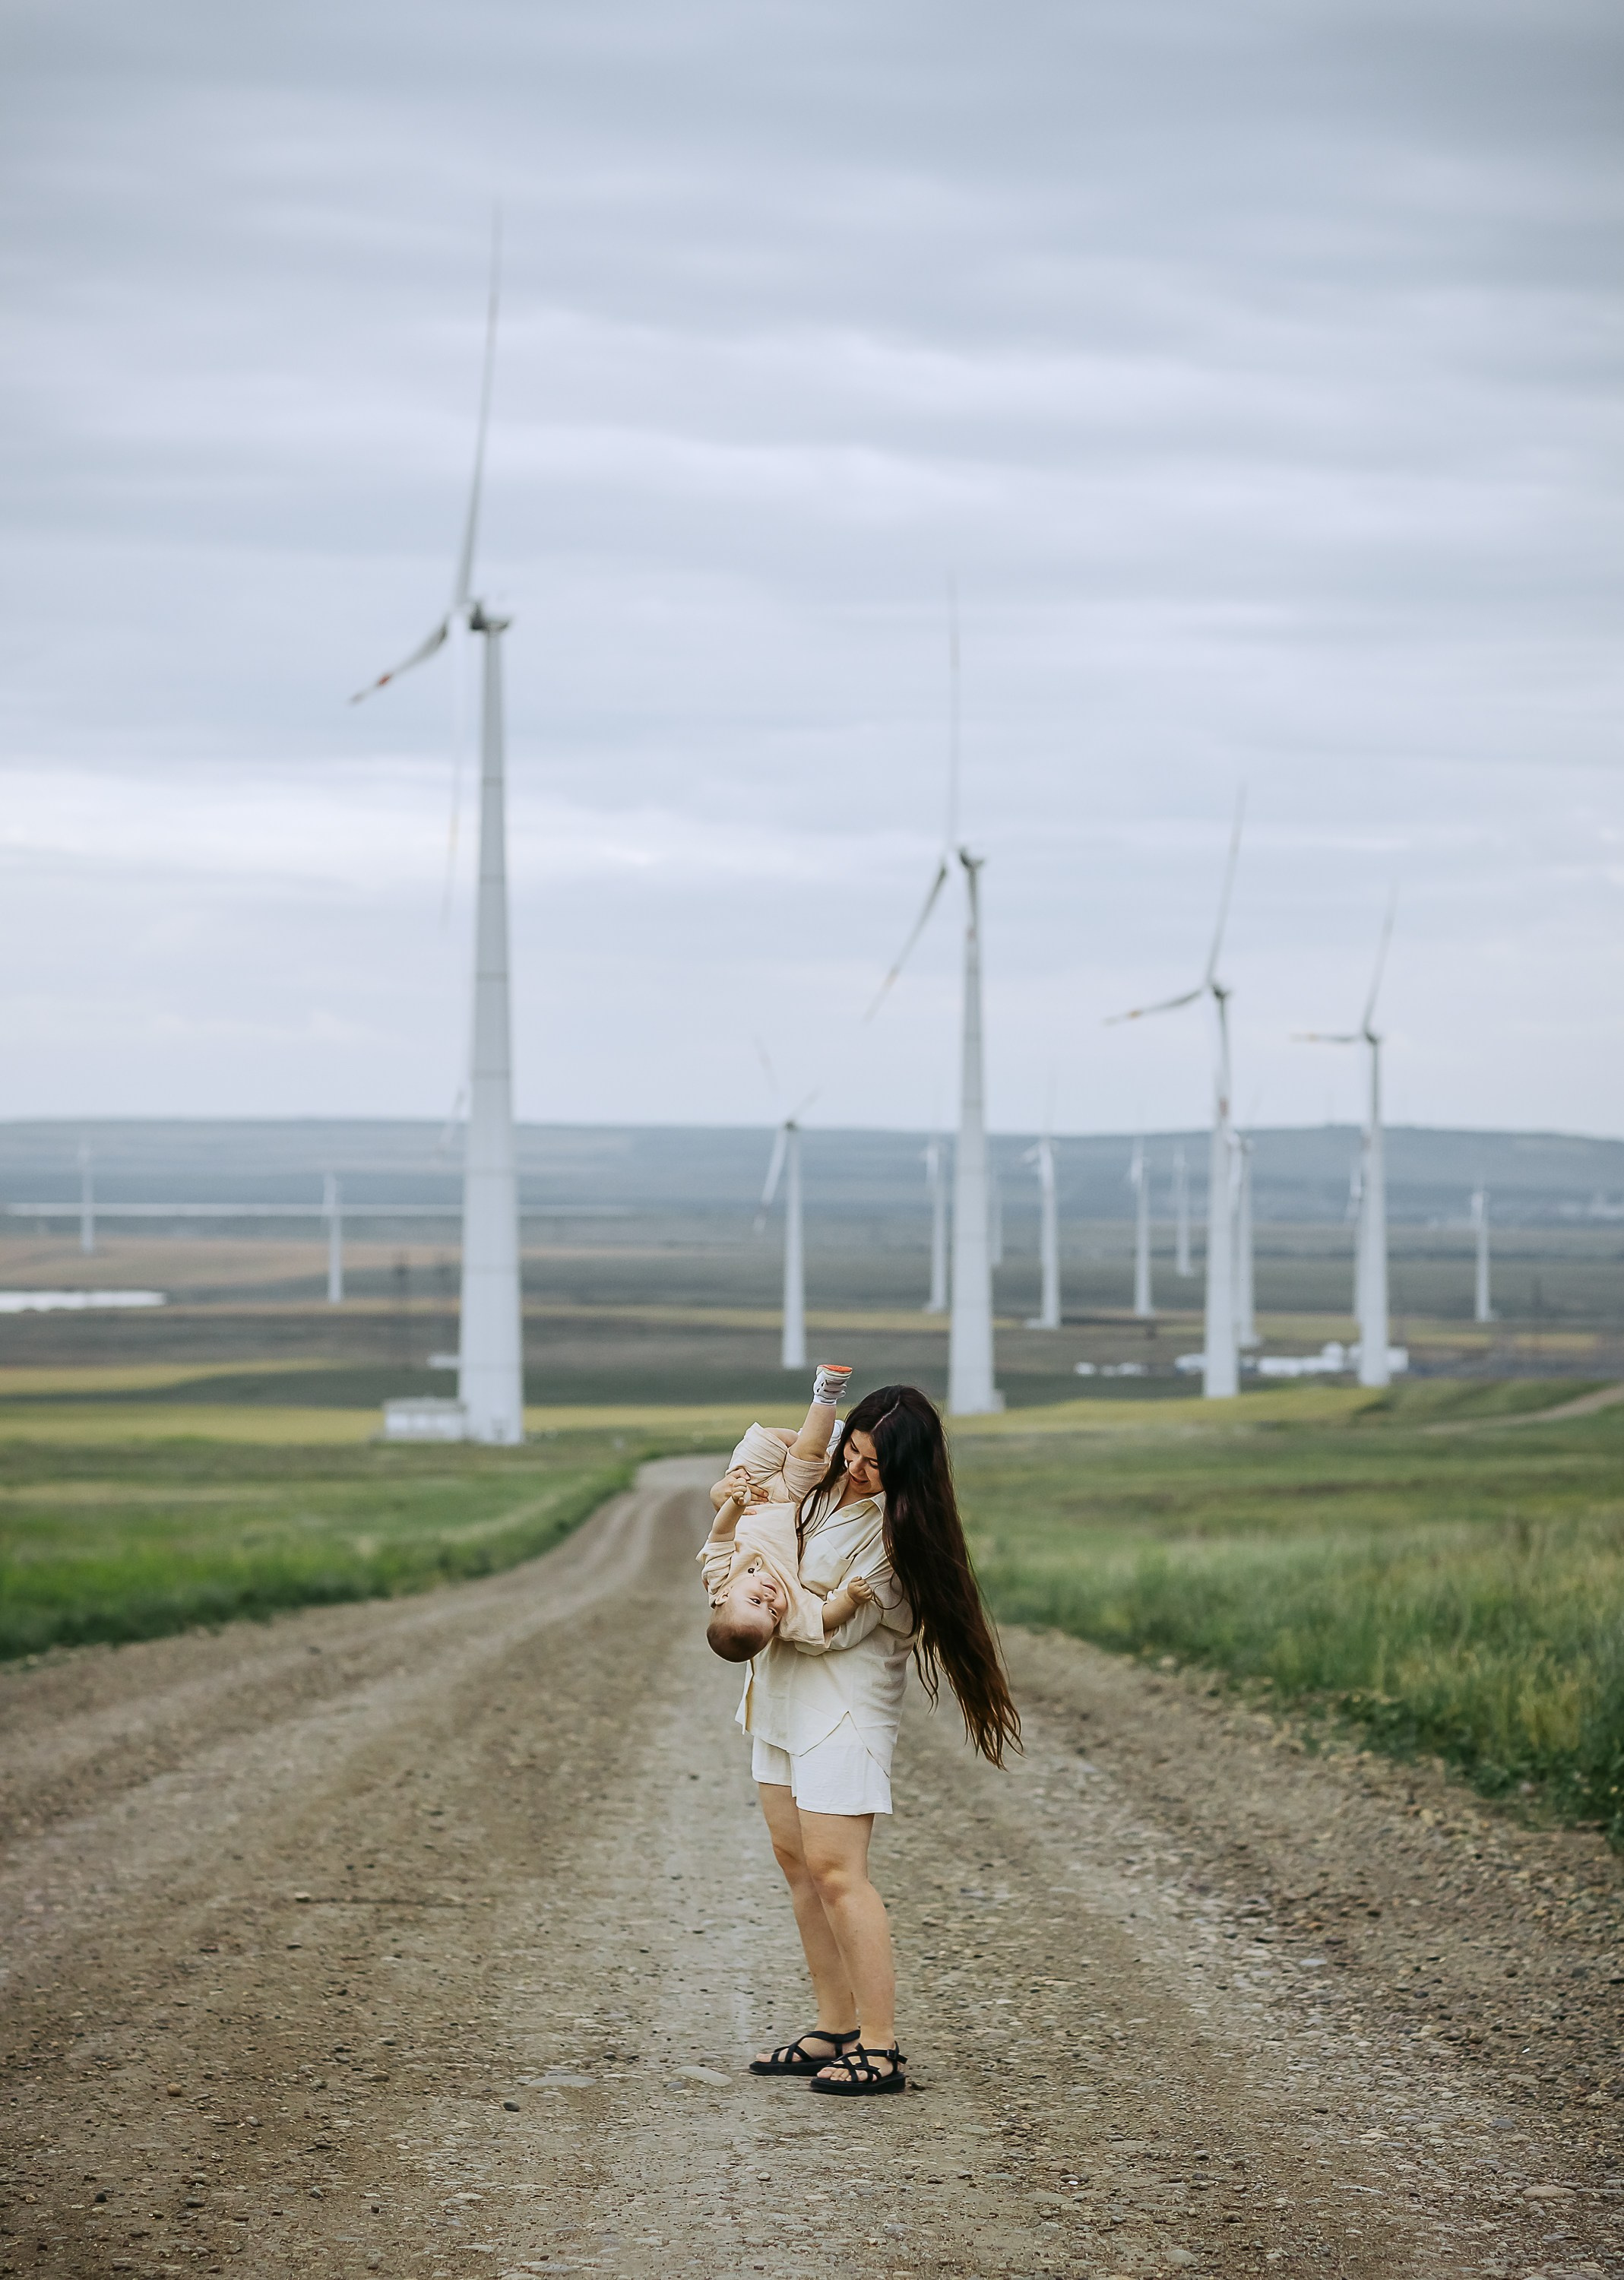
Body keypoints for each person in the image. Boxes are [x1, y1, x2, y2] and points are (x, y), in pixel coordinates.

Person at [727, 1382, 1021, 2098]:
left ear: (910, 1471)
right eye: (852, 1450)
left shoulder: (900, 1543)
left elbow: (830, 1635)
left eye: (875, 1464)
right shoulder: (821, 1485)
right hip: (778, 1699)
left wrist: (766, 1584)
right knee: (796, 1864)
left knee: (837, 1873)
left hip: (843, 1712)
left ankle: (881, 2047)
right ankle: (834, 2027)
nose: (857, 1469)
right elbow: (764, 1504)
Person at [699, 1366, 871, 1655]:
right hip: (791, 1501)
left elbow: (721, 1533)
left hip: (750, 1492)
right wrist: (850, 1600)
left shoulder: (718, 1579)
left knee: (769, 1439)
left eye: (755, 1601)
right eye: (772, 1614)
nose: (769, 1599)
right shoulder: (791, 1613)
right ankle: (827, 1394)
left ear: (723, 1597)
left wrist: (734, 1503)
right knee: (809, 1455)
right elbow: (824, 1618)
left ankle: (818, 1439)